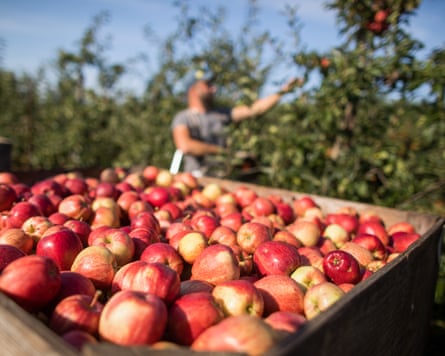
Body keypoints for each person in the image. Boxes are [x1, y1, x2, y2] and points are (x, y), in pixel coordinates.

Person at [170, 76, 301, 176]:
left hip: (223, 178)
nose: (213, 89)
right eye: (207, 85)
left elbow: (255, 109)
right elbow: (185, 145)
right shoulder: (184, 117)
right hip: (197, 177)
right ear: (193, 90)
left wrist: (284, 91)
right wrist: (226, 153)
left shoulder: (222, 114)